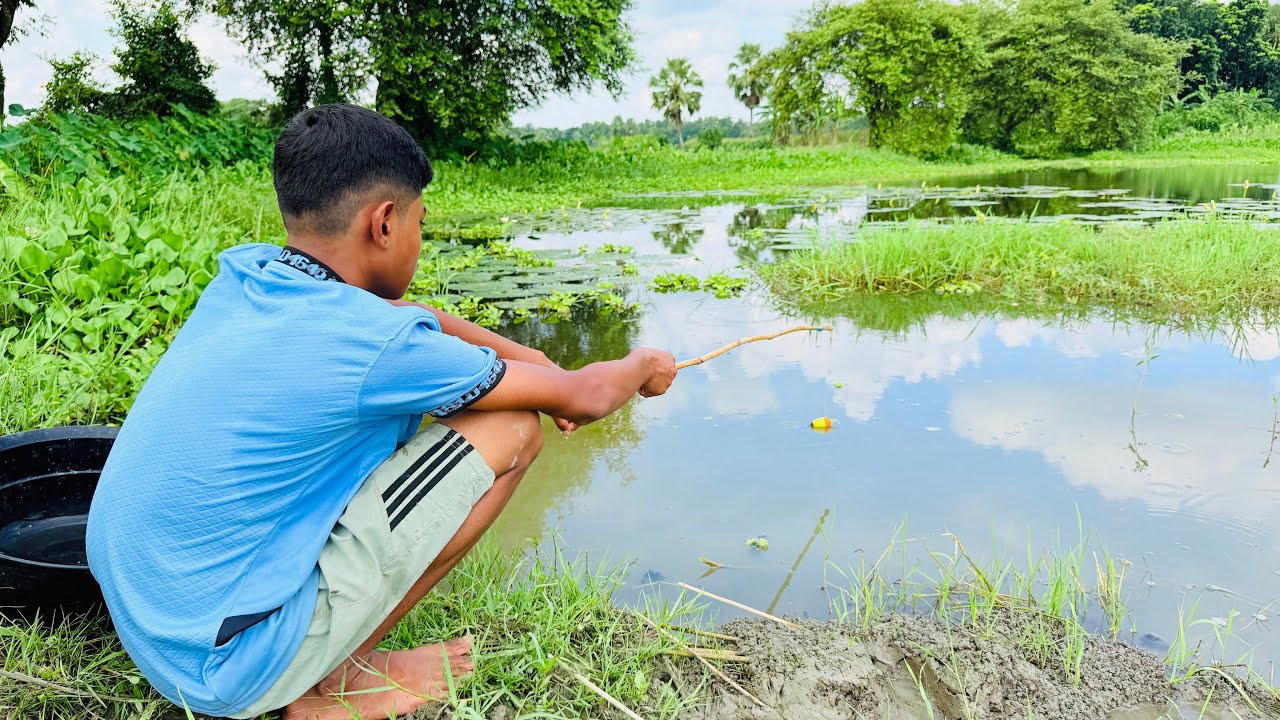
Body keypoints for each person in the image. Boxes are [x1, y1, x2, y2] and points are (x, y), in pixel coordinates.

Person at [86, 103, 678, 720]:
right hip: (224, 668)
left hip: (148, 613)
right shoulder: (377, 347)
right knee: (514, 428)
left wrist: (522, 352)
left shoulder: (249, 273)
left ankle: (312, 660)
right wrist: (643, 364)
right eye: (421, 223)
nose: (420, 241)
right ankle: (326, 684)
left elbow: (399, 317)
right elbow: (584, 395)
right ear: (385, 223)